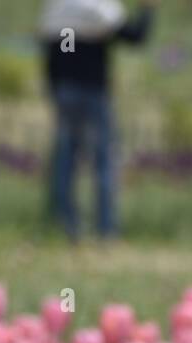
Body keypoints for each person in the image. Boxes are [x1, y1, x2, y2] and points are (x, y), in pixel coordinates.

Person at [41, 0, 157, 240]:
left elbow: (52, 52)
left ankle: (66, 226)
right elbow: (135, 37)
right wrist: (148, 9)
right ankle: (106, 230)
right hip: (95, 92)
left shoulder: (57, 7)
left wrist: (54, 89)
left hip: (64, 92)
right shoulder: (100, 8)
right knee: (103, 159)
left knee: (65, 160)